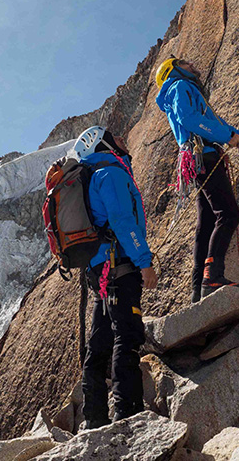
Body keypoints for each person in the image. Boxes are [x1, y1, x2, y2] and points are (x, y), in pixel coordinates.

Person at [154, 57, 239, 303]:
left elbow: (226, 130)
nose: (191, 64)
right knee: (229, 214)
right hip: (204, 157)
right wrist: (226, 135)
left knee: (207, 222)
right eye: (184, 62)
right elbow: (190, 120)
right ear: (174, 70)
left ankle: (197, 290)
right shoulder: (180, 87)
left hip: (198, 160)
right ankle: (213, 277)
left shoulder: (186, 92)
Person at [73, 126, 157, 429]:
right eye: (115, 136)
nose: (122, 139)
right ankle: (127, 411)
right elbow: (123, 220)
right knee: (129, 334)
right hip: (119, 266)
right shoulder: (110, 173)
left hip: (100, 271)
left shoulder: (92, 176)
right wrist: (144, 262)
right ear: (102, 143)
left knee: (100, 342)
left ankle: (94, 417)